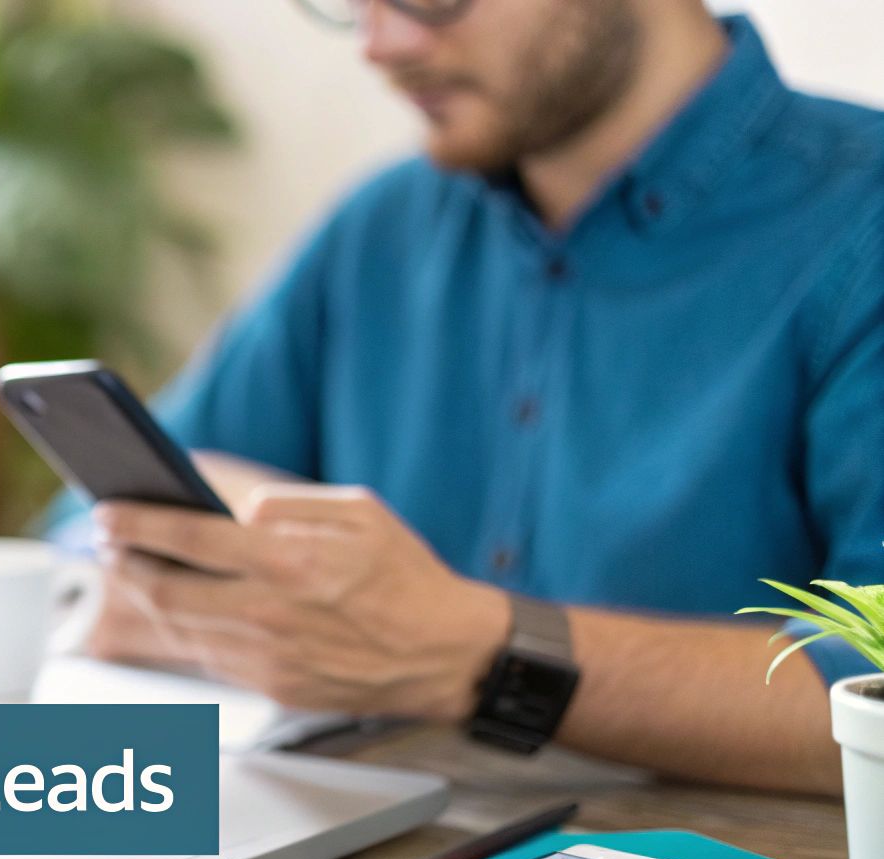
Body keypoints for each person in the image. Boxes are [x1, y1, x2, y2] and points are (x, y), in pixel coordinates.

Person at [71, 0, 884, 795]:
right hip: (368, 853)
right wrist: (219, 556)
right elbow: (91, 521)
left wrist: (480, 653)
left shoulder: (861, 223)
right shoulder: (383, 225)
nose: (378, 43)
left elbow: (874, 684)